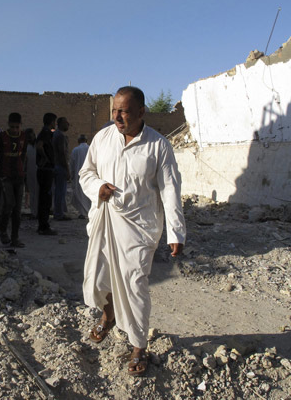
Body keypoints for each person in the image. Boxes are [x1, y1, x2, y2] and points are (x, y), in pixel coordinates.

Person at [79, 86, 186, 377]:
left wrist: (176, 232)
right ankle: (109, 314)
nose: (117, 116)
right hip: (106, 220)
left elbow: (170, 191)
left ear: (141, 112)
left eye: (123, 111)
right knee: (102, 275)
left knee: (135, 284)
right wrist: (97, 187)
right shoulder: (103, 138)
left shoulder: (159, 146)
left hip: (140, 229)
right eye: (114, 110)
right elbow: (86, 173)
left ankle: (139, 346)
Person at [0, 113, 27, 248]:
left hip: (19, 177)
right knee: (9, 204)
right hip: (6, 176)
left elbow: (24, 155)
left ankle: (15, 238)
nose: (15, 130)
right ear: (8, 124)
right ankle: (3, 231)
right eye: (12, 127)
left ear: (21, 125)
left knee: (17, 210)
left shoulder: (23, 136)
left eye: (17, 127)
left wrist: (23, 170)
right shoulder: (2, 137)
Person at [35, 112, 58, 235]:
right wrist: (46, 158)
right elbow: (39, 146)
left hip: (44, 170)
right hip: (46, 170)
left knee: (44, 198)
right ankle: (44, 226)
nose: (55, 124)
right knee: (45, 198)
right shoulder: (46, 132)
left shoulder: (45, 132)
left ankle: (42, 225)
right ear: (51, 122)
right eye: (54, 121)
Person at [52, 117, 71, 221]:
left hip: (56, 166)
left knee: (58, 191)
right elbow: (62, 153)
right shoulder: (61, 136)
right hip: (60, 166)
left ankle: (58, 212)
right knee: (60, 191)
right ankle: (59, 214)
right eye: (67, 123)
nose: (68, 125)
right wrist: (67, 169)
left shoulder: (55, 134)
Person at [69, 134, 91, 219]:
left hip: (78, 175)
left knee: (80, 193)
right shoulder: (90, 148)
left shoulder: (75, 150)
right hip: (89, 175)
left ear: (78, 141)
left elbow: (72, 163)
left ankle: (82, 212)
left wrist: (71, 173)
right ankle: (88, 211)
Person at [24, 128, 39, 219]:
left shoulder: (39, 144)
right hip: (29, 172)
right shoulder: (26, 146)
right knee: (32, 192)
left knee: (39, 192)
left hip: (39, 171)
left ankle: (38, 212)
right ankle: (34, 212)